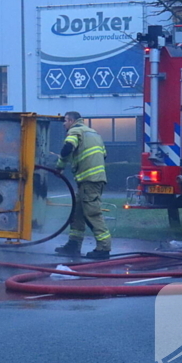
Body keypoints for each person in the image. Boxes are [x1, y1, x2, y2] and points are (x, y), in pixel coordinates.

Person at [54, 111, 111, 259]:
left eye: (65, 121)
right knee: (77, 213)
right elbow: (104, 155)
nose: (64, 124)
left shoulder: (75, 131)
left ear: (72, 120)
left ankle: (103, 248)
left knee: (92, 214)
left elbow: (67, 148)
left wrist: (59, 166)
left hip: (89, 181)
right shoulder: (94, 133)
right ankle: (73, 245)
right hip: (92, 180)